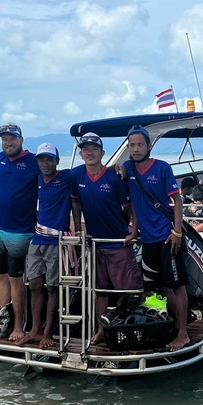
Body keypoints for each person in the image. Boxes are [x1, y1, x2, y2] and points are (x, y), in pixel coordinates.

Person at [70, 132, 142, 345]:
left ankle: (130, 329)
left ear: (102, 153)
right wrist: (77, 230)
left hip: (118, 243)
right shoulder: (75, 175)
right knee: (99, 290)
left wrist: (133, 230)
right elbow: (75, 203)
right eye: (85, 149)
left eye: (94, 149)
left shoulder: (115, 176)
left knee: (128, 290)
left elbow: (130, 206)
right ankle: (101, 330)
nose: (89, 152)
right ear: (81, 154)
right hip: (95, 244)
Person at [123, 124, 190, 351]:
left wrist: (177, 232)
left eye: (140, 144)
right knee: (156, 288)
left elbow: (177, 202)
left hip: (166, 236)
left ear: (149, 146)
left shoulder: (161, 168)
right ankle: (165, 326)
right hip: (147, 239)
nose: (136, 149)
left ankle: (183, 334)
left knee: (176, 285)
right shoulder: (127, 168)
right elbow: (133, 202)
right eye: (132, 145)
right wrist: (134, 230)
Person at [0, 124, 40, 342]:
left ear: (21, 139)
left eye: (12, 139)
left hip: (21, 232)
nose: (8, 142)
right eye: (5, 139)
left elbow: (57, 175)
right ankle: (0, 324)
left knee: (17, 280)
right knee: (1, 277)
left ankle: (18, 326)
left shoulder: (34, 161)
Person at [17, 143, 73, 349]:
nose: (45, 163)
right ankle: (35, 329)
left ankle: (48, 331)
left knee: (53, 288)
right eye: (42, 159)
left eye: (50, 159)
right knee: (34, 285)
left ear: (57, 160)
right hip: (37, 240)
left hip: (56, 241)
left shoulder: (67, 177)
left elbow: (93, 167)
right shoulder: (37, 179)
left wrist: (122, 168)